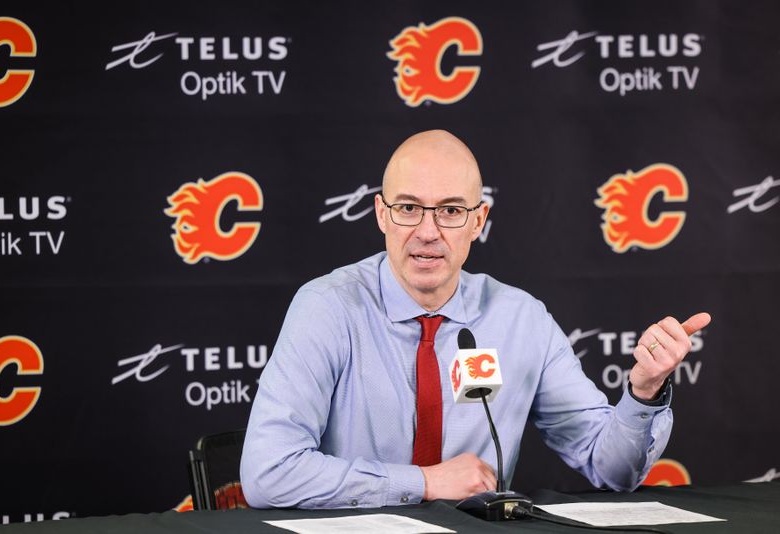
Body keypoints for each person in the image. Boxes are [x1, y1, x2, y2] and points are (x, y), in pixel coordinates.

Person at [240, 130, 711, 509]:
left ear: (478, 220)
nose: (427, 231)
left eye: (450, 211)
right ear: (381, 215)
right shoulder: (327, 308)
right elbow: (268, 473)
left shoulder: (520, 318)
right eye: (408, 208)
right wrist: (424, 483)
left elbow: (612, 469)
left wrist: (644, 392)